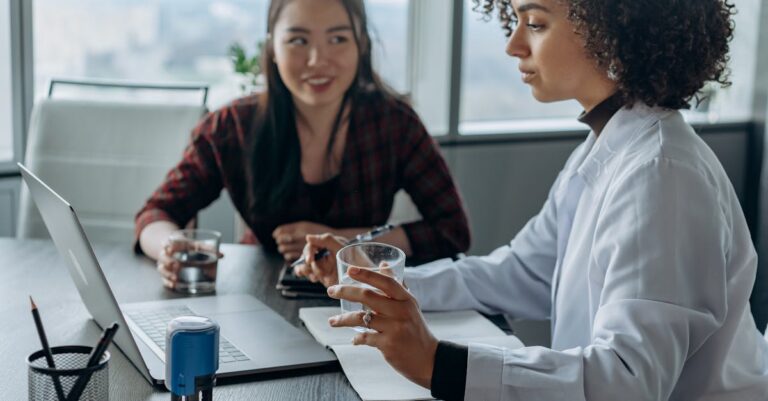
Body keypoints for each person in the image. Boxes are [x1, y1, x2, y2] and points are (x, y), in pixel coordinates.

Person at [301, 0, 768, 399]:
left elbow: (628, 381)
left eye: (537, 23)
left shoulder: (661, 174)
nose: (514, 45)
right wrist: (382, 285)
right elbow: (521, 272)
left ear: (612, 31)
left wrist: (438, 364)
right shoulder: (610, 147)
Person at [134, 0, 471, 289]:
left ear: (362, 45)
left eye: (338, 38)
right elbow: (156, 213)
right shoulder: (231, 127)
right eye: (298, 40)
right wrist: (170, 249)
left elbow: (452, 230)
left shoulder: (394, 124)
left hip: (359, 301)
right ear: (273, 49)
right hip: (258, 302)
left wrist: (343, 240)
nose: (317, 60)